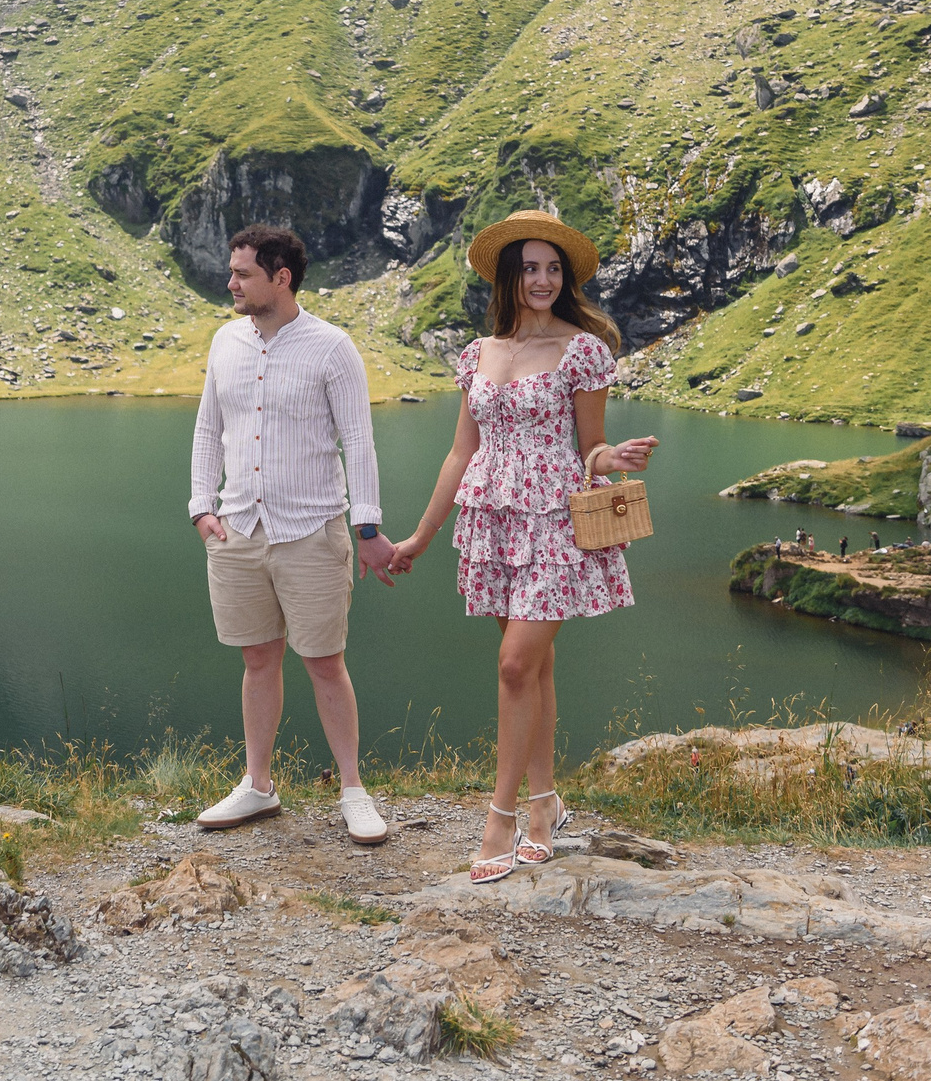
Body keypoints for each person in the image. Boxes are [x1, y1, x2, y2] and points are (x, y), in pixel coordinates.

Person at [398, 213, 656, 884]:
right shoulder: (478, 353)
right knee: (532, 670)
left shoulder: (584, 350)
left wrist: (615, 457)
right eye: (531, 268)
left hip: (554, 522)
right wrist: (421, 537)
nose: (543, 280)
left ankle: (501, 816)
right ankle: (546, 803)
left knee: (515, 664)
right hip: (493, 520)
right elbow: (462, 451)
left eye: (553, 269)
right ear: (508, 276)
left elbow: (590, 446)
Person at [189, 224, 399, 846]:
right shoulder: (225, 341)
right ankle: (258, 786)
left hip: (312, 529)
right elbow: (208, 429)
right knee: (258, 660)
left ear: (281, 278)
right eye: (232, 272)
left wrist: (368, 527)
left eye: (243, 274)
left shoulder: (332, 348)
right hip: (237, 530)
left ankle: (353, 791)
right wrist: (201, 507)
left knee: (325, 663)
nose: (231, 283)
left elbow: (357, 440)